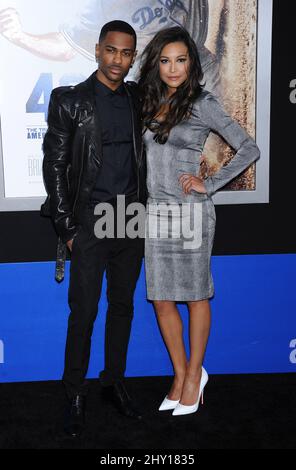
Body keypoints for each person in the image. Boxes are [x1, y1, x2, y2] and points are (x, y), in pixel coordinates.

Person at [138, 26, 260, 416]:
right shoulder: (146, 102)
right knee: (160, 299)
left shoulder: (202, 103)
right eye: (165, 60)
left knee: (194, 296)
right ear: (156, 64)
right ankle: (179, 375)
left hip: (190, 212)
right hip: (157, 211)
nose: (173, 68)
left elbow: (248, 147)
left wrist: (209, 183)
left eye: (181, 59)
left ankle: (194, 375)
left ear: (192, 63)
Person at [42, 20, 146, 438]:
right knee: (83, 313)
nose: (117, 60)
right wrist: (67, 227)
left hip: (132, 218)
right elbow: (56, 165)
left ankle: (112, 382)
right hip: (90, 220)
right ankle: (75, 393)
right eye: (111, 50)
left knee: (122, 308)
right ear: (97, 50)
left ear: (132, 57)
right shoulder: (70, 101)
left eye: (126, 53)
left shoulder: (139, 98)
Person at [0, 0, 224, 94]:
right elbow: (64, 47)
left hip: (203, 63)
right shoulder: (102, 6)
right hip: (166, 91)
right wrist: (20, 37)